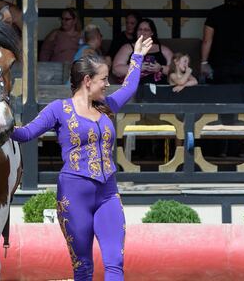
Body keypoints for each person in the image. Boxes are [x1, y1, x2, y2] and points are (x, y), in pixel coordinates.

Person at [11, 35, 152, 281]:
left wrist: (137, 57)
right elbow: (26, 134)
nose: (107, 84)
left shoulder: (106, 105)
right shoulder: (59, 109)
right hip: (74, 195)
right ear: (87, 81)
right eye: (103, 79)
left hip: (108, 193)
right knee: (83, 268)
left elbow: (129, 87)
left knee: (115, 262)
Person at [113, 18, 173, 84]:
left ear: (152, 33)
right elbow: (116, 70)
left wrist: (161, 68)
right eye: (140, 29)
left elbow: (175, 70)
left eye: (146, 30)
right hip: (135, 87)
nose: (142, 32)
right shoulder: (127, 48)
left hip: (160, 87)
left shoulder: (164, 50)